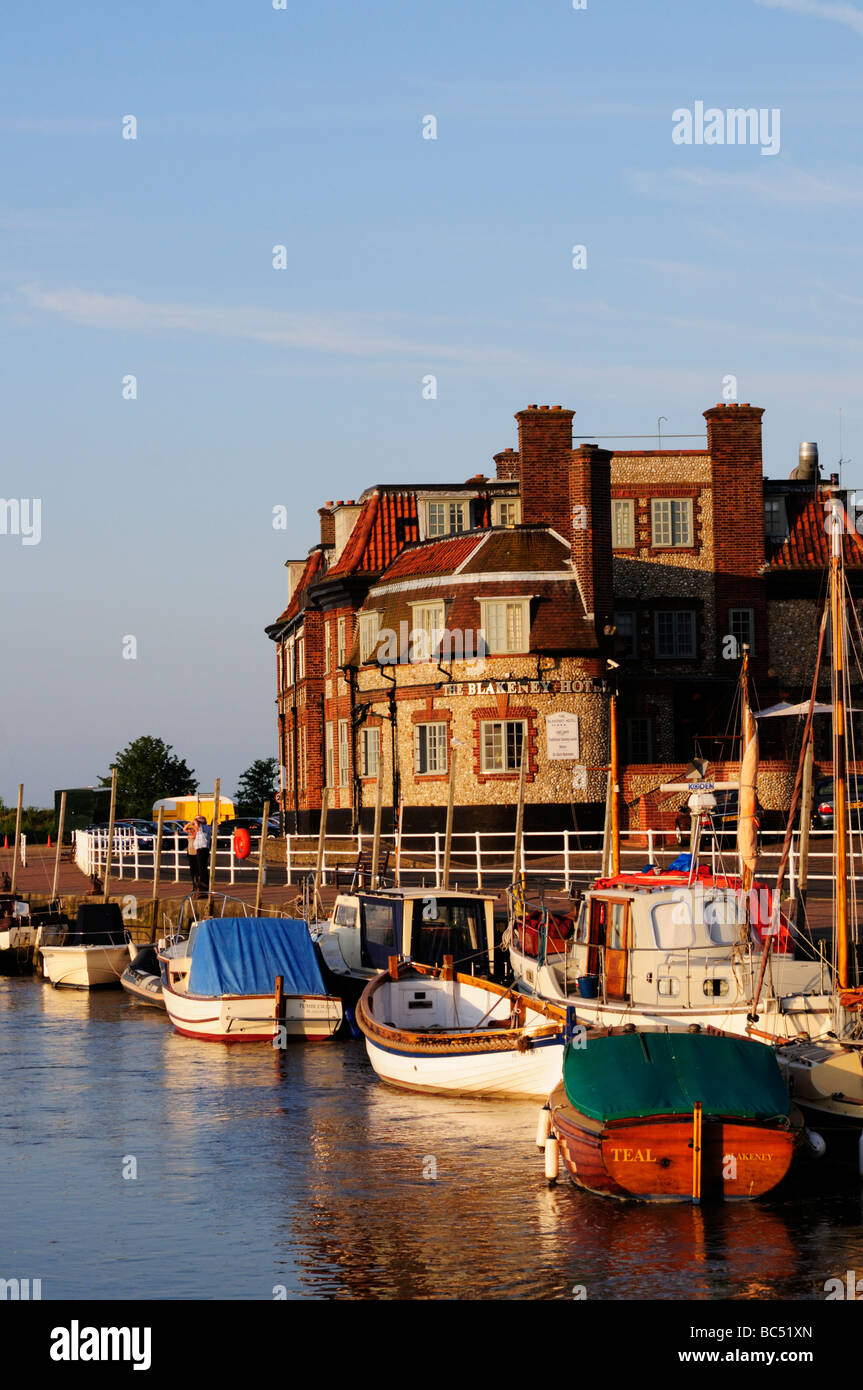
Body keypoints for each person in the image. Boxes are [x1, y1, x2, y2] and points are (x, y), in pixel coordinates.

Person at [194, 816, 211, 893]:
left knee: (202, 868)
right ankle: (203, 884)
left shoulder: (204, 827)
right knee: (201, 867)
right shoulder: (203, 828)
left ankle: (204, 884)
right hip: (200, 849)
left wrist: (196, 820)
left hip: (202, 849)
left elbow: (197, 825)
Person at [183, 819, 199, 891]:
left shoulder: (196, 834)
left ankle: (197, 885)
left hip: (195, 853)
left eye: (191, 829)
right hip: (190, 853)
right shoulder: (189, 834)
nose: (189, 830)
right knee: (192, 870)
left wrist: (194, 825)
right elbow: (184, 829)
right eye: (189, 829)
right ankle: (193, 884)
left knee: (197, 870)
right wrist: (189, 823)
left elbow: (197, 830)